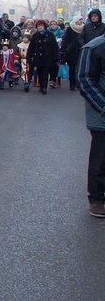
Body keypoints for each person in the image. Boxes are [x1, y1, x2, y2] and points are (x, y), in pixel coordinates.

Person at [79, 32, 105, 218]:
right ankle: (96, 199)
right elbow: (85, 80)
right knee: (101, 159)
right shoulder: (94, 47)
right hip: (102, 117)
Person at [27, 19, 59, 95]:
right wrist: (29, 57)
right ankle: (41, 86)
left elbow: (55, 46)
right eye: (38, 26)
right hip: (38, 57)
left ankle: (44, 87)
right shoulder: (35, 35)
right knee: (39, 72)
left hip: (48, 57)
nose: (40, 28)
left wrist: (55, 56)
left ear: (44, 26)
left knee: (45, 72)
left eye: (41, 26)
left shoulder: (50, 35)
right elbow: (31, 47)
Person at [62, 15, 85, 91]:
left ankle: (79, 83)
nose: (81, 21)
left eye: (82, 19)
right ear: (76, 21)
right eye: (80, 19)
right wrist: (63, 50)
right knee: (71, 68)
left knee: (80, 68)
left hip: (81, 50)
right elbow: (65, 40)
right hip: (71, 51)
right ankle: (72, 83)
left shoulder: (84, 28)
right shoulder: (70, 29)